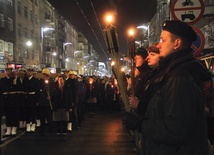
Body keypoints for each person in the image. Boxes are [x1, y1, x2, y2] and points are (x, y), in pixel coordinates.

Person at [139, 20, 211, 155]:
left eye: (163, 40)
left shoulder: (180, 77)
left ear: (177, 43)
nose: (159, 45)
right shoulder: (172, 71)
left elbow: (175, 130)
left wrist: (140, 124)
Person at [52, 75, 72, 140]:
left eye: (61, 80)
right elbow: (53, 97)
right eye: (59, 80)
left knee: (64, 120)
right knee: (57, 120)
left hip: (64, 106)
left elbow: (69, 98)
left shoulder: (67, 88)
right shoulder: (55, 87)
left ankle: (64, 132)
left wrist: (70, 106)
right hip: (57, 106)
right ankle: (58, 132)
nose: (60, 81)